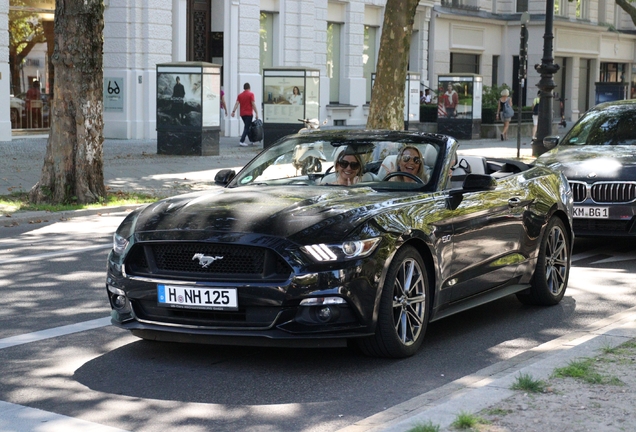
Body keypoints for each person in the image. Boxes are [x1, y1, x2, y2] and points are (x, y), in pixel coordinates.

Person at [231, 83, 259, 147]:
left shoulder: (240, 95)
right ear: (249, 88)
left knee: (248, 126)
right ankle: (242, 141)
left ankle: (251, 140)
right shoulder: (251, 94)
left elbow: (236, 104)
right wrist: (256, 113)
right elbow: (253, 104)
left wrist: (233, 111)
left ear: (244, 88)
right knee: (247, 127)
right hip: (249, 114)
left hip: (242, 114)